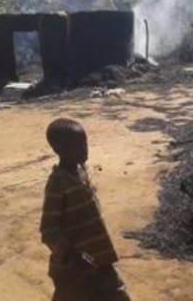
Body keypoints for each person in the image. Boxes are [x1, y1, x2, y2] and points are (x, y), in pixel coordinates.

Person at [40, 118, 131, 301]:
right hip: (75, 269)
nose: (84, 149)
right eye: (77, 146)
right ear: (59, 150)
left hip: (101, 259)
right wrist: (74, 254)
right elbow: (48, 230)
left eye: (84, 143)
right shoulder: (57, 184)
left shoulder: (82, 172)